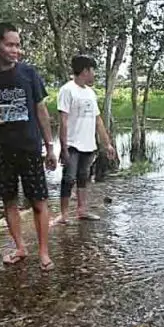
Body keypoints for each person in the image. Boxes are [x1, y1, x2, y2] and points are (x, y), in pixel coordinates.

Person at [0, 22, 58, 271]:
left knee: (39, 201)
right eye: (10, 45)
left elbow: (41, 111)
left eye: (18, 45)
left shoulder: (29, 73)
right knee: (9, 202)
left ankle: (43, 252)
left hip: (30, 148)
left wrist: (50, 146)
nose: (15, 50)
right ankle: (20, 247)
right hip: (1, 150)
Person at [55, 55, 117, 225]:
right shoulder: (67, 90)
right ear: (85, 71)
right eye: (92, 70)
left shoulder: (90, 93)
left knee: (84, 177)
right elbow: (63, 121)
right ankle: (63, 215)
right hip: (73, 144)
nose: (94, 74)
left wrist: (107, 144)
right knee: (69, 178)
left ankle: (82, 210)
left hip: (88, 144)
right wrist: (63, 147)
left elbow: (98, 120)